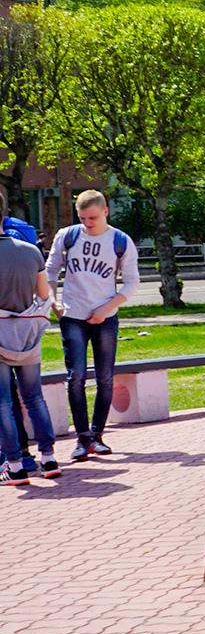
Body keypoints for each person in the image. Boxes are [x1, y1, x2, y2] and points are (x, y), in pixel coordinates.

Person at [45, 190, 137, 462]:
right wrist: (53, 301)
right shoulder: (67, 235)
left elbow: (132, 282)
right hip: (72, 315)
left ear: (106, 211)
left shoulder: (120, 241)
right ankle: (82, 437)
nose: (88, 223)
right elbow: (50, 271)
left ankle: (98, 435)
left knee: (106, 377)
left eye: (93, 217)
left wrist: (107, 309)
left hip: (105, 317)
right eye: (83, 218)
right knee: (75, 377)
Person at [0, 193, 57, 484]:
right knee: (34, 398)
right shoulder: (31, 251)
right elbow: (44, 295)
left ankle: (14, 464)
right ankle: (48, 458)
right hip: (26, 335)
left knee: (2, 403)